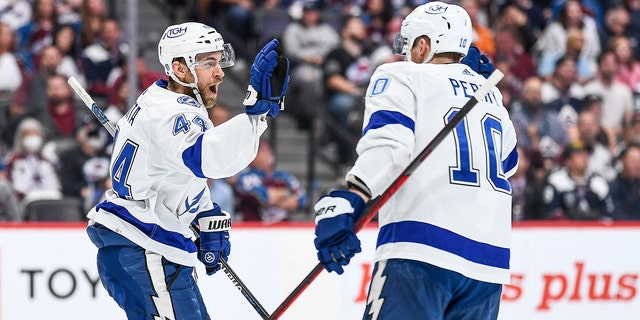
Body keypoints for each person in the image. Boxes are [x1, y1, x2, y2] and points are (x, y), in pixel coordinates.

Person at [311, 2, 518, 319]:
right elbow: (510, 162)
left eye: (408, 46)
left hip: (421, 247)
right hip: (488, 264)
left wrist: (354, 194)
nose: (404, 54)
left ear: (424, 45)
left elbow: (390, 145)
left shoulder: (402, 74)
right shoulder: (490, 93)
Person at [85, 22, 289, 319]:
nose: (219, 72)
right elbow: (207, 159)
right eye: (209, 63)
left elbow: (175, 174)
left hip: (144, 246)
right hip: (144, 246)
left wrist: (203, 214)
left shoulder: (159, 99)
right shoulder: (174, 113)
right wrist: (256, 112)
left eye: (219, 61)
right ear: (180, 69)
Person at [235, 139, 308, 223]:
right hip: (255, 229)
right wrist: (287, 193)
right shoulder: (246, 176)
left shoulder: (284, 176)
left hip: (284, 228)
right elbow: (264, 197)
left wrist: (277, 196)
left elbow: (303, 199)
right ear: (253, 156)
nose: (268, 153)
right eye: (263, 150)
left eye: (268, 150)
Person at [543, 141, 614, 220]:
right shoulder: (557, 182)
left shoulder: (598, 182)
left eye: (585, 154)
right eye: (579, 155)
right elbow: (551, 213)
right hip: (565, 230)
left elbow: (607, 213)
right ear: (568, 161)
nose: (584, 157)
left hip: (594, 230)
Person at [609, 143, 640, 220]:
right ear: (623, 161)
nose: (637, 166)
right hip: (621, 229)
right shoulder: (613, 187)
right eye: (633, 161)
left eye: (639, 162)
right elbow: (614, 213)